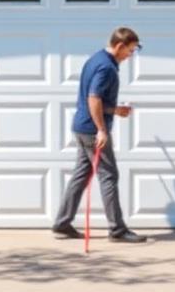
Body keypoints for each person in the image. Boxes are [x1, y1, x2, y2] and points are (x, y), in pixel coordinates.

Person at [52, 27, 147, 243]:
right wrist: (102, 130)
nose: (130, 56)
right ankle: (117, 230)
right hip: (92, 130)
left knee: (81, 175)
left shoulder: (97, 58)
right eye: (130, 51)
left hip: (82, 126)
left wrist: (115, 110)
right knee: (109, 176)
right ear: (120, 46)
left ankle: (62, 224)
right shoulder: (106, 68)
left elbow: (96, 100)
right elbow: (93, 99)